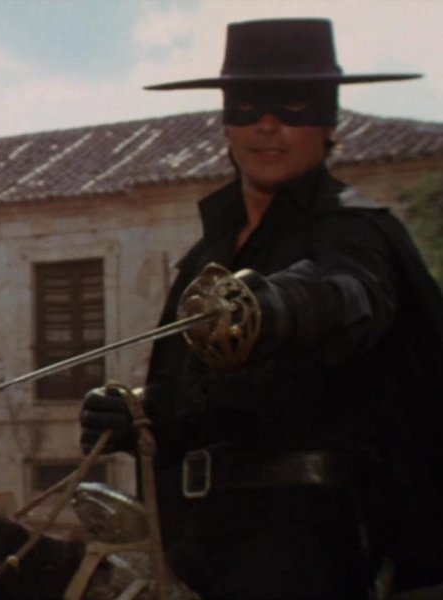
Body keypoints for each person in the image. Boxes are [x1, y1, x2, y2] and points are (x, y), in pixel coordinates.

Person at [80, 18, 443, 599]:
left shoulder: (353, 228)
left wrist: (282, 305)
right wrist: (140, 415)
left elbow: (353, 296)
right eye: (247, 108)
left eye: (293, 107)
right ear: (227, 124)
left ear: (328, 123)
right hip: (197, 539)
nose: (266, 126)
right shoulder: (211, 251)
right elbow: (204, 397)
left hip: (306, 541)